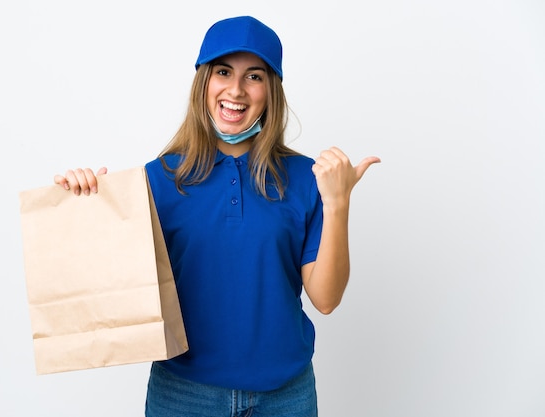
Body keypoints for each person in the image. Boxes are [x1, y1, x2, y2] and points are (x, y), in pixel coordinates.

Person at [54, 15, 380, 417]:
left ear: (271, 90)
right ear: (204, 82)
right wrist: (83, 202)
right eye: (223, 71)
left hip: (285, 395)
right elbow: (106, 286)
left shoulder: (307, 179)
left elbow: (326, 299)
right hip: (184, 393)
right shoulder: (158, 179)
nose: (236, 90)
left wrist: (338, 203)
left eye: (254, 76)